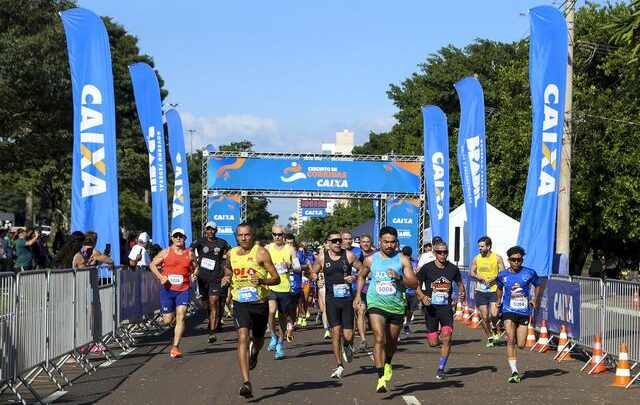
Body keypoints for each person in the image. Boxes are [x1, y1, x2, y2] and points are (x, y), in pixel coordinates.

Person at [354, 226, 418, 393]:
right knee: (378, 337)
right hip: (376, 303)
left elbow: (414, 283)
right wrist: (358, 296)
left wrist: (399, 277)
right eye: (386, 242)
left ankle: (388, 361)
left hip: (396, 305)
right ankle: (380, 377)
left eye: (392, 242)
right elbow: (361, 275)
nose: (389, 245)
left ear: (396, 242)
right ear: (380, 242)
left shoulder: (403, 259)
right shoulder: (370, 260)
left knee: (391, 343)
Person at [221, 222, 280, 398]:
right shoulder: (231, 253)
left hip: (259, 303)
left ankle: (254, 354)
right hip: (241, 303)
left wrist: (261, 281)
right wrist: (227, 277)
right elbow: (228, 268)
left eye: (247, 235)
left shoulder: (261, 252)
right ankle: (246, 382)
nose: (243, 238)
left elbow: (276, 278)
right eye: (240, 235)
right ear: (236, 237)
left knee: (259, 341)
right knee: (243, 337)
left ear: (252, 236)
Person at [311, 230, 363, 379]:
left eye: (339, 240)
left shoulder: (349, 255)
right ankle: (339, 365)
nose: (338, 243)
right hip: (331, 299)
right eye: (334, 241)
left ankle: (347, 345)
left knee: (348, 334)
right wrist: (316, 279)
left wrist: (354, 276)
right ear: (328, 243)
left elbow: (363, 270)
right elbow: (313, 272)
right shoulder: (322, 257)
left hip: (346, 299)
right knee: (335, 332)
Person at [415, 240, 465, 380]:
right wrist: (422, 296)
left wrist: (462, 294)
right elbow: (416, 285)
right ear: (434, 253)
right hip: (430, 308)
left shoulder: (453, 269)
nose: (443, 255)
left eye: (445, 252)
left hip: (446, 309)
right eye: (439, 252)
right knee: (433, 342)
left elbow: (460, 284)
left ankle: (441, 368)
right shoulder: (427, 268)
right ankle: (433, 335)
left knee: (447, 337)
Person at [149, 228, 199, 358]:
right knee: (167, 320)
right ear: (172, 238)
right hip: (167, 290)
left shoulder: (189, 254)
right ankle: (176, 321)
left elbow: (196, 266)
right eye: (176, 236)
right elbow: (152, 265)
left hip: (183, 289)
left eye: (180, 236)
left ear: (184, 238)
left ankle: (175, 347)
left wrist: (194, 274)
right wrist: (160, 277)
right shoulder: (165, 252)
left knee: (181, 315)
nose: (178, 238)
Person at [496, 246, 542, 383]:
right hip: (508, 310)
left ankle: (513, 342)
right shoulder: (502, 275)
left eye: (519, 260)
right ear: (508, 260)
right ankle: (514, 371)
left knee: (521, 344)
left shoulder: (529, 273)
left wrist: (535, 299)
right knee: (511, 339)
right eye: (513, 260)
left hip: (523, 311)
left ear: (522, 260)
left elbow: (538, 285)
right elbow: (499, 288)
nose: (516, 262)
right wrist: (498, 300)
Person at [190, 221, 231, 343]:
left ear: (216, 231)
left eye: (212, 229)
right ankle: (215, 319)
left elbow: (231, 253)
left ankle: (212, 332)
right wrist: (194, 264)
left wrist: (226, 266)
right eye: (208, 229)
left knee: (214, 301)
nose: (210, 231)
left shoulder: (222, 243)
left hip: (216, 277)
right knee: (206, 304)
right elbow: (189, 251)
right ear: (205, 230)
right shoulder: (200, 241)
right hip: (203, 277)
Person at [266, 224, 300, 359]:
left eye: (280, 234)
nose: (277, 237)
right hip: (271, 286)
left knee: (282, 317)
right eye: (275, 234)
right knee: (271, 311)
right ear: (272, 235)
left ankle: (280, 343)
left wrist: (289, 265)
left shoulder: (290, 249)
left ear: (284, 236)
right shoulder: (267, 248)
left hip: (284, 287)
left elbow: (297, 267)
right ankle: (273, 336)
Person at [469, 236, 506, 347]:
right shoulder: (476, 258)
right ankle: (490, 337)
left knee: (494, 314)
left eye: (482, 246)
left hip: (494, 290)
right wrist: (477, 276)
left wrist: (494, 278)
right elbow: (471, 272)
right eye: (479, 246)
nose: (480, 248)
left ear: (489, 246)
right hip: (480, 291)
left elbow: (503, 273)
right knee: (484, 317)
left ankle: (494, 327)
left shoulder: (497, 258)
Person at [355, 233, 376, 351]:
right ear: (360, 243)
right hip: (360, 289)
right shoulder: (356, 255)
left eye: (368, 241)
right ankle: (363, 339)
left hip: (374, 290)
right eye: (363, 242)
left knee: (374, 316)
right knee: (360, 312)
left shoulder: (376, 255)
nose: (366, 244)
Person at [284, 233, 303, 338]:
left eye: (291, 243)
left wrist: (296, 266)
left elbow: (306, 265)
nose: (289, 245)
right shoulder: (280, 252)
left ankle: (291, 324)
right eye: (287, 243)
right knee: (283, 307)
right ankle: (287, 323)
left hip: (295, 285)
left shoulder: (299, 254)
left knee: (292, 307)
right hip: (282, 285)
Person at [401, 246, 419, 335]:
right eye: (405, 255)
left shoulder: (415, 262)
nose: (407, 257)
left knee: (410, 311)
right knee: (401, 310)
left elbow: (417, 274)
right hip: (402, 291)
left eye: (408, 255)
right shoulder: (400, 261)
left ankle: (406, 326)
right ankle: (398, 330)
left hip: (412, 291)